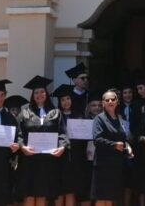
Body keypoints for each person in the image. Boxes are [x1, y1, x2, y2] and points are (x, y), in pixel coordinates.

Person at [17, 76, 67, 206]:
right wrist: (22, 147)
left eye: (42, 92)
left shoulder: (56, 113)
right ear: (32, 95)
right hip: (29, 159)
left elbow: (62, 133)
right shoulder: (24, 113)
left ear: (47, 94)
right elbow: (19, 134)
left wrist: (62, 147)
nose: (39, 95)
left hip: (47, 161)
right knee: (29, 193)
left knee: (42, 194)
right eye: (36, 92)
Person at [92, 89, 133, 206]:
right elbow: (97, 139)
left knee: (111, 197)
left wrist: (127, 147)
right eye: (107, 100)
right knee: (101, 196)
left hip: (116, 164)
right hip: (102, 164)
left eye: (113, 99)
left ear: (117, 101)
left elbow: (124, 138)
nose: (110, 101)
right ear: (103, 103)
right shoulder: (99, 118)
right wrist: (114, 145)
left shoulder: (120, 119)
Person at [55, 83, 91, 206]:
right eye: (63, 100)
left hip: (75, 157)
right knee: (59, 190)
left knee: (71, 190)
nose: (66, 102)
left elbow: (85, 137)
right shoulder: (55, 116)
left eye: (68, 98)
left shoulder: (79, 115)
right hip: (60, 158)